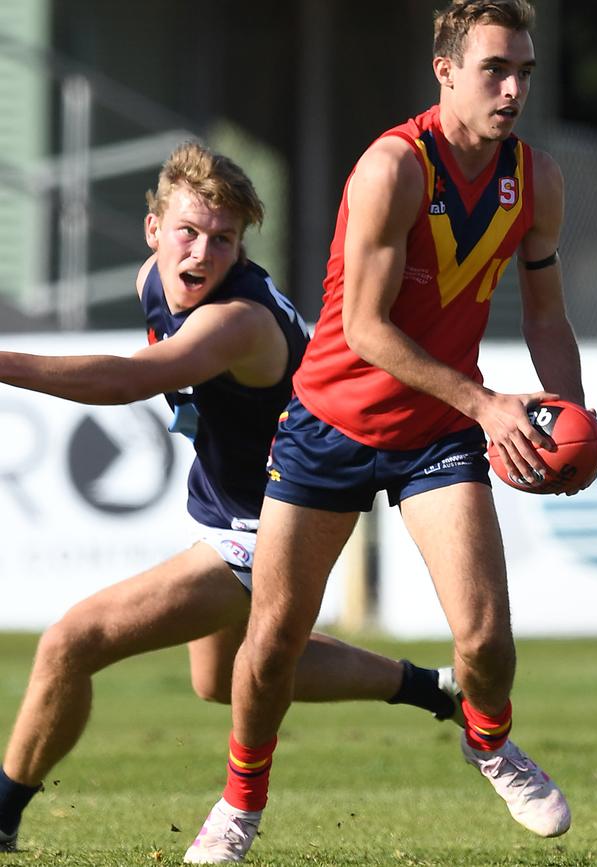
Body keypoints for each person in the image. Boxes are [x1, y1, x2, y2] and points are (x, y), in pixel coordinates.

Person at [186, 1, 597, 862]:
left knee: (486, 637)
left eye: (525, 71)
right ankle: (238, 802)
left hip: (437, 431)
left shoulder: (537, 179)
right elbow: (369, 329)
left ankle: (487, 739)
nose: (514, 87)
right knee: (271, 641)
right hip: (331, 422)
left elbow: (546, 316)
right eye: (496, 68)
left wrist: (573, 416)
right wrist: (488, 402)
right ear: (445, 71)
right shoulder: (392, 168)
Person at [0, 142, 464, 854]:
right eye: (188, 232)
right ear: (154, 230)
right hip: (228, 508)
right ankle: (434, 689)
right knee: (221, 677)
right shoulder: (155, 279)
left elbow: (132, 380)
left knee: (71, 641)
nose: (203, 252)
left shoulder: (237, 319)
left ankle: (2, 814)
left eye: (223, 240)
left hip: (277, 520)